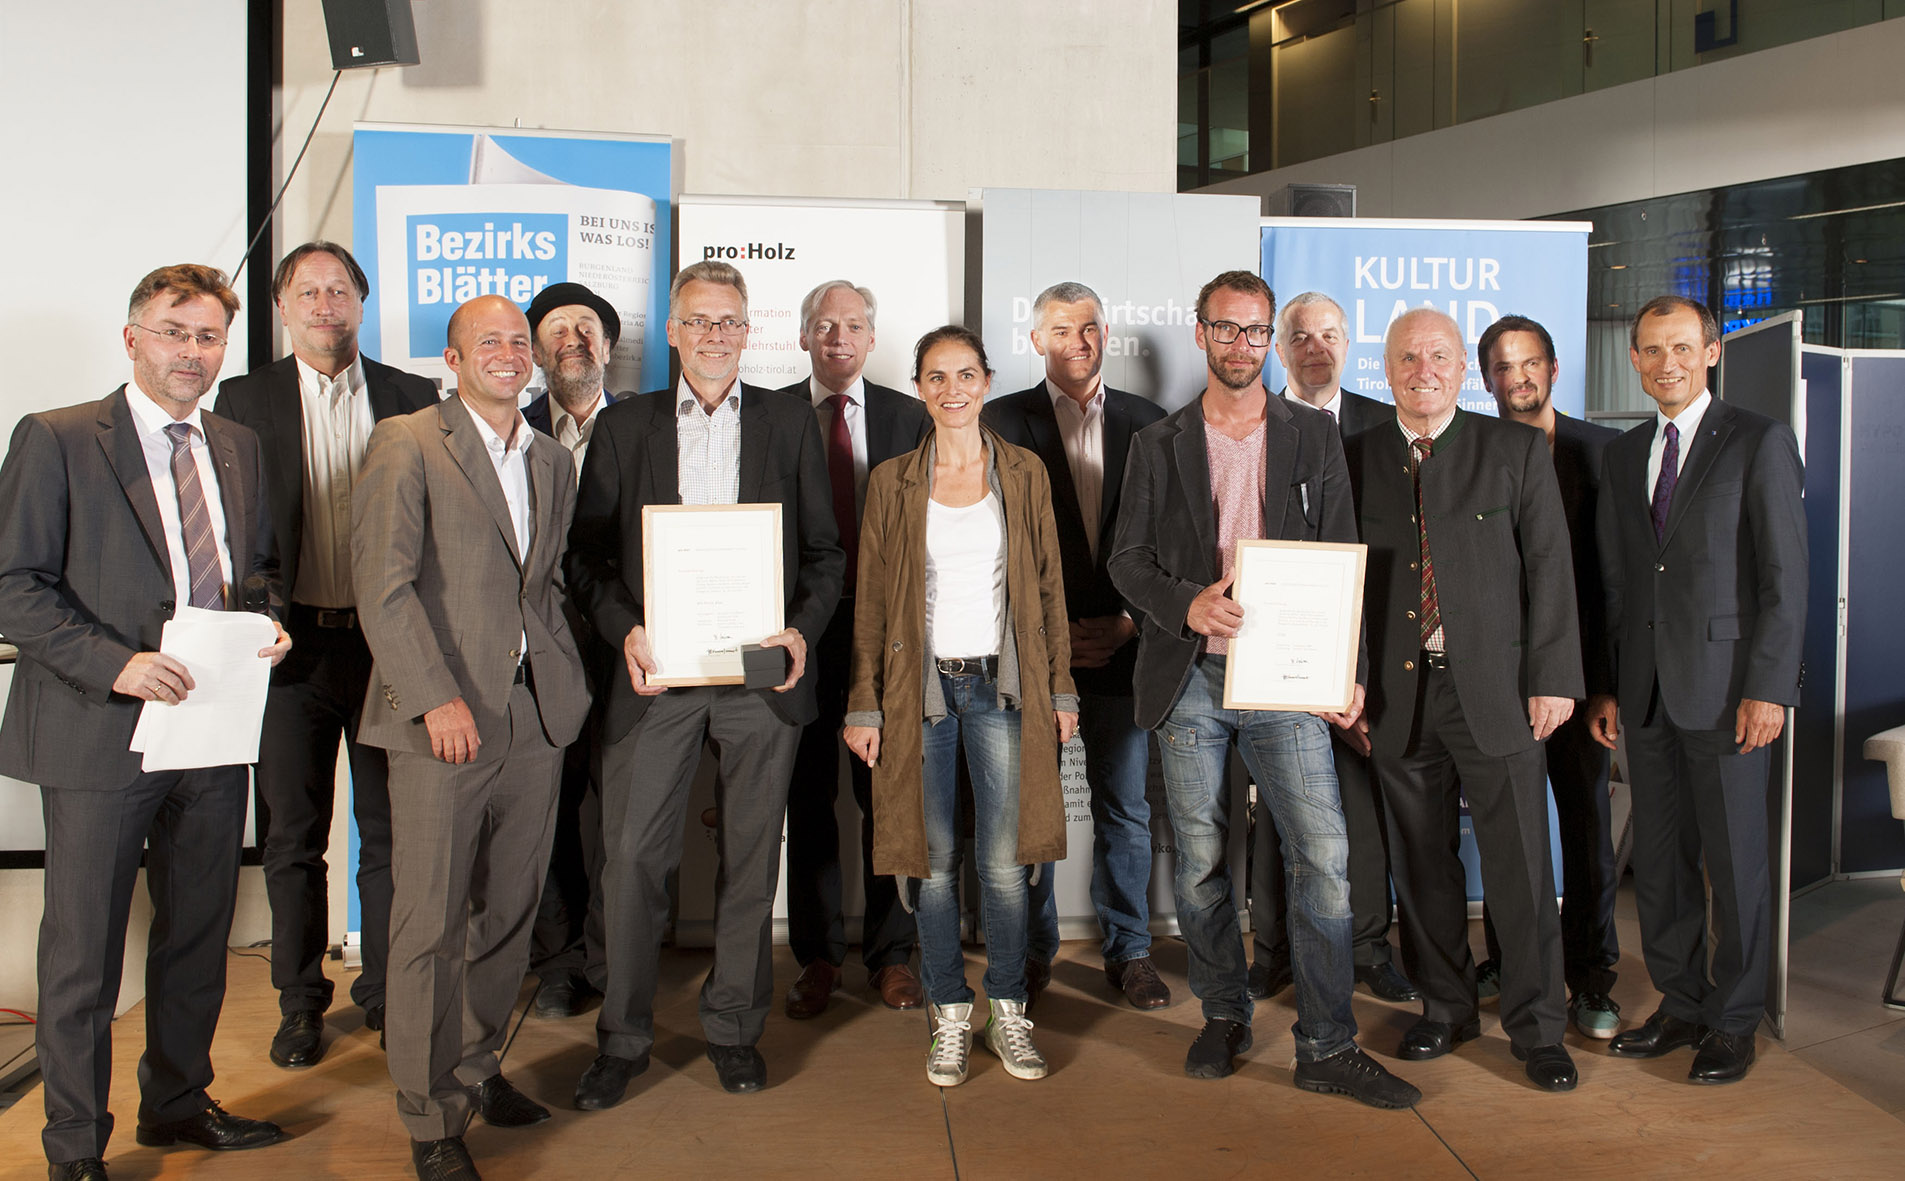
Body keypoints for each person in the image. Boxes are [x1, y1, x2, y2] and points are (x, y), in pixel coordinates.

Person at [0, 264, 292, 1181]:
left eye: (208, 337)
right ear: (134, 339)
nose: (192, 352)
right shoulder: (55, 439)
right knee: (82, 953)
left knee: (198, 932)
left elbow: (262, 568)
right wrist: (116, 663)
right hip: (97, 730)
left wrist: (268, 623)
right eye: (175, 332)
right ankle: (76, 1147)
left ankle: (174, 1103)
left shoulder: (238, 446)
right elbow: (13, 587)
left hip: (209, 730)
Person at [1108, 270, 1419, 1108]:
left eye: (1255, 331)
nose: (1241, 345)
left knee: (1322, 854)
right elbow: (1126, 559)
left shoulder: (1309, 437)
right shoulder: (1157, 442)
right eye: (1227, 329)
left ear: (1267, 339)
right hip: (1190, 674)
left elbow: (1340, 550)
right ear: (1201, 331)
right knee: (1204, 861)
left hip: (1285, 673)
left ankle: (1325, 1043)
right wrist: (1187, 603)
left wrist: (1342, 666)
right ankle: (1223, 1013)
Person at [564, 261, 844, 1107]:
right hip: (659, 676)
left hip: (760, 677)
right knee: (634, 860)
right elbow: (586, 557)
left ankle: (732, 1028)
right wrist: (629, 631)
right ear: (676, 331)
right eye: (700, 321)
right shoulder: (625, 429)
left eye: (730, 322)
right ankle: (622, 1038)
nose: (717, 336)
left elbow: (827, 556)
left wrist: (801, 628)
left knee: (749, 863)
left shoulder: (791, 423)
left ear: (746, 330)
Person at [352, 294, 591, 1181]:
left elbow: (546, 586)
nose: (506, 352)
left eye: (516, 341)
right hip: (442, 720)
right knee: (429, 922)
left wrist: (571, 677)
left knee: (509, 911)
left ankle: (477, 1066)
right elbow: (384, 587)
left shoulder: (550, 460)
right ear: (451, 360)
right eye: (485, 340)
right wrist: (433, 698)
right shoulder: (407, 442)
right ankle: (428, 1117)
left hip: (534, 715)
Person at [1344, 307, 1582, 1093]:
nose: (1423, 369)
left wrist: (1554, 677)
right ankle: (1444, 1008)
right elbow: (1336, 577)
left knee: (1519, 865)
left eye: (1438, 355)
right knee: (1421, 866)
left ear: (1460, 369)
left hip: (1499, 695)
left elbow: (1549, 568)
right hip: (1395, 695)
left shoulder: (1511, 449)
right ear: (1387, 368)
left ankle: (1539, 1027)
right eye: (1407, 357)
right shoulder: (1354, 457)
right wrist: (1339, 678)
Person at [213, 241, 438, 1068]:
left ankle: (384, 989)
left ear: (360, 301)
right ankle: (300, 999)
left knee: (388, 829)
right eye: (307, 290)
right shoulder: (240, 399)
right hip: (289, 651)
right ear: (282, 306)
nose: (323, 303)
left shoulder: (414, 397)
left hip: (387, 650)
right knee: (292, 835)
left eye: (338, 288)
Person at [843, 325, 1077, 1087]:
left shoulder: (1024, 472)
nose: (951, 389)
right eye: (936, 376)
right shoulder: (890, 481)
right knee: (933, 863)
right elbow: (872, 604)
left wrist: (1062, 688)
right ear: (918, 386)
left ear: (984, 381)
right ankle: (948, 1011)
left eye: (965, 374)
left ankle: (1007, 1008)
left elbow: (1048, 587)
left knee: (1006, 865)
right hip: (922, 693)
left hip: (1005, 685)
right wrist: (865, 703)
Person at [1590, 296, 1806, 1085]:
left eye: (1681, 347)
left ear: (1711, 351)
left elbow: (1784, 578)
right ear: (1635, 360)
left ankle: (1733, 1017)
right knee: (1660, 861)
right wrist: (1609, 686)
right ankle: (1680, 1001)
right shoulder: (1622, 456)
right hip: (1644, 694)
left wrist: (1769, 688)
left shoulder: (1757, 441)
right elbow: (1620, 581)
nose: (1665, 363)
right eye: (1650, 350)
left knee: (1734, 860)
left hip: (1727, 697)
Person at [983, 281, 1169, 1010]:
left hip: (1125, 646)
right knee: (1032, 809)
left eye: (1089, 327)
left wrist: (1130, 618)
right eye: (1061, 330)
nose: (1078, 341)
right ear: (1035, 341)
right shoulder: (998, 420)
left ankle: (1129, 950)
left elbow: (1171, 539)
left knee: (1124, 805)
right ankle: (1031, 953)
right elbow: (986, 547)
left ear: (1105, 335)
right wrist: (1049, 634)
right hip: (1035, 653)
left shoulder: (1150, 423)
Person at [1250, 290, 1414, 1005]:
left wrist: (1361, 670)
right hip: (1275, 641)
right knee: (1277, 803)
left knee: (1361, 801)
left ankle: (1369, 945)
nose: (1314, 347)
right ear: (1278, 348)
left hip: (1368, 640)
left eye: (1328, 334)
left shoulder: (1386, 425)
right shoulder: (1253, 420)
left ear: (1348, 344)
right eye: (1299, 335)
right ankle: (1272, 948)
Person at [780, 279, 930, 1019]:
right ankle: (815, 956)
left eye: (854, 325)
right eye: (825, 324)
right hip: (800, 635)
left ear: (872, 339)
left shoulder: (910, 417)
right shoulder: (772, 415)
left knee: (887, 798)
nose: (839, 337)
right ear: (804, 336)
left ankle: (891, 954)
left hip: (888, 637)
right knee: (807, 800)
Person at [1477, 313, 1623, 1039]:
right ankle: (1508, 959)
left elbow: (1617, 582)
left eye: (1530, 363)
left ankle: (1593, 979)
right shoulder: (1476, 451)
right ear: (1486, 380)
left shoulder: (1605, 453)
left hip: (1582, 682)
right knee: (1509, 834)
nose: (1518, 378)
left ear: (1554, 368)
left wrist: (1603, 685)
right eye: (1503, 368)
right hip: (1501, 682)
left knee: (1587, 827)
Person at [517, 281, 623, 1020]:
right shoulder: (508, 430)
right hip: (536, 653)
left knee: (623, 812)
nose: (574, 340)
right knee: (548, 812)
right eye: (558, 330)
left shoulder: (651, 426)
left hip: (629, 650)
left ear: (609, 346)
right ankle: (560, 961)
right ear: (534, 351)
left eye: (587, 327)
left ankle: (614, 955)